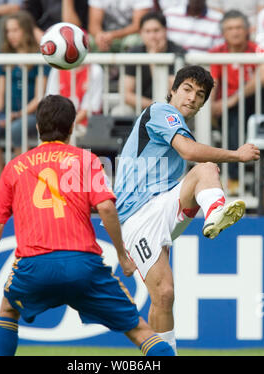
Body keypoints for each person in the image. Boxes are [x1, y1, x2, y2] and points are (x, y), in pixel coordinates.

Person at [0, 94, 175, 357]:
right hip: (84, 266)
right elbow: (106, 207)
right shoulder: (86, 161)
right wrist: (123, 258)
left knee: (8, 310)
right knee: (140, 331)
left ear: (36, 127)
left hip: (33, 266)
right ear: (71, 127)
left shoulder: (15, 167)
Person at [113, 65, 260, 355]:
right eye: (187, 89)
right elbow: (189, 151)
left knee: (205, 170)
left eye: (200, 95)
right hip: (135, 216)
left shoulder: (177, 124)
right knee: (164, 294)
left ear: (203, 104)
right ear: (173, 90)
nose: (192, 98)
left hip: (161, 204)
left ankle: (215, 210)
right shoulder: (160, 112)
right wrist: (237, 155)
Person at [0, 10, 49, 179]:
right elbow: (0, 96)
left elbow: (39, 97)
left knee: (17, 128)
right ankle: (3, 179)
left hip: (30, 114)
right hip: (8, 113)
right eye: (8, 31)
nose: (11, 35)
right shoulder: (5, 58)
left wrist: (18, 114)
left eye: (15, 30)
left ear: (26, 30)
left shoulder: (39, 58)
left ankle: (21, 179)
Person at [210, 10, 264, 194]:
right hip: (227, 112)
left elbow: (262, 75)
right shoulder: (216, 53)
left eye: (239, 27)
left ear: (247, 30)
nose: (235, 32)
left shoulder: (257, 49)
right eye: (230, 28)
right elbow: (212, 83)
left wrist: (232, 99)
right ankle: (234, 180)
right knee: (232, 117)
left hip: (254, 103)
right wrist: (211, 108)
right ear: (223, 33)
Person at [112, 11, 186, 116]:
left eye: (156, 31)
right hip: (142, 107)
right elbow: (126, 94)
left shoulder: (178, 53)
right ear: (141, 33)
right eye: (147, 31)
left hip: (172, 109)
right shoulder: (134, 53)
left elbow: (174, 92)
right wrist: (154, 106)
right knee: (119, 112)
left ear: (165, 31)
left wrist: (154, 59)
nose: (152, 36)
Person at [45, 62, 103, 138]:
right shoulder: (56, 69)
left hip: (85, 126)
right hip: (59, 124)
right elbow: (50, 102)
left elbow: (91, 107)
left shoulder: (95, 70)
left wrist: (67, 125)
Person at [88, 0, 153, 52]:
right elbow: (93, 25)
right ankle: (96, 68)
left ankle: (129, 68)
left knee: (132, 40)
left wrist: (112, 35)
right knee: (90, 40)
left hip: (129, 35)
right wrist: (100, 36)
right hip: (106, 36)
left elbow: (138, 26)